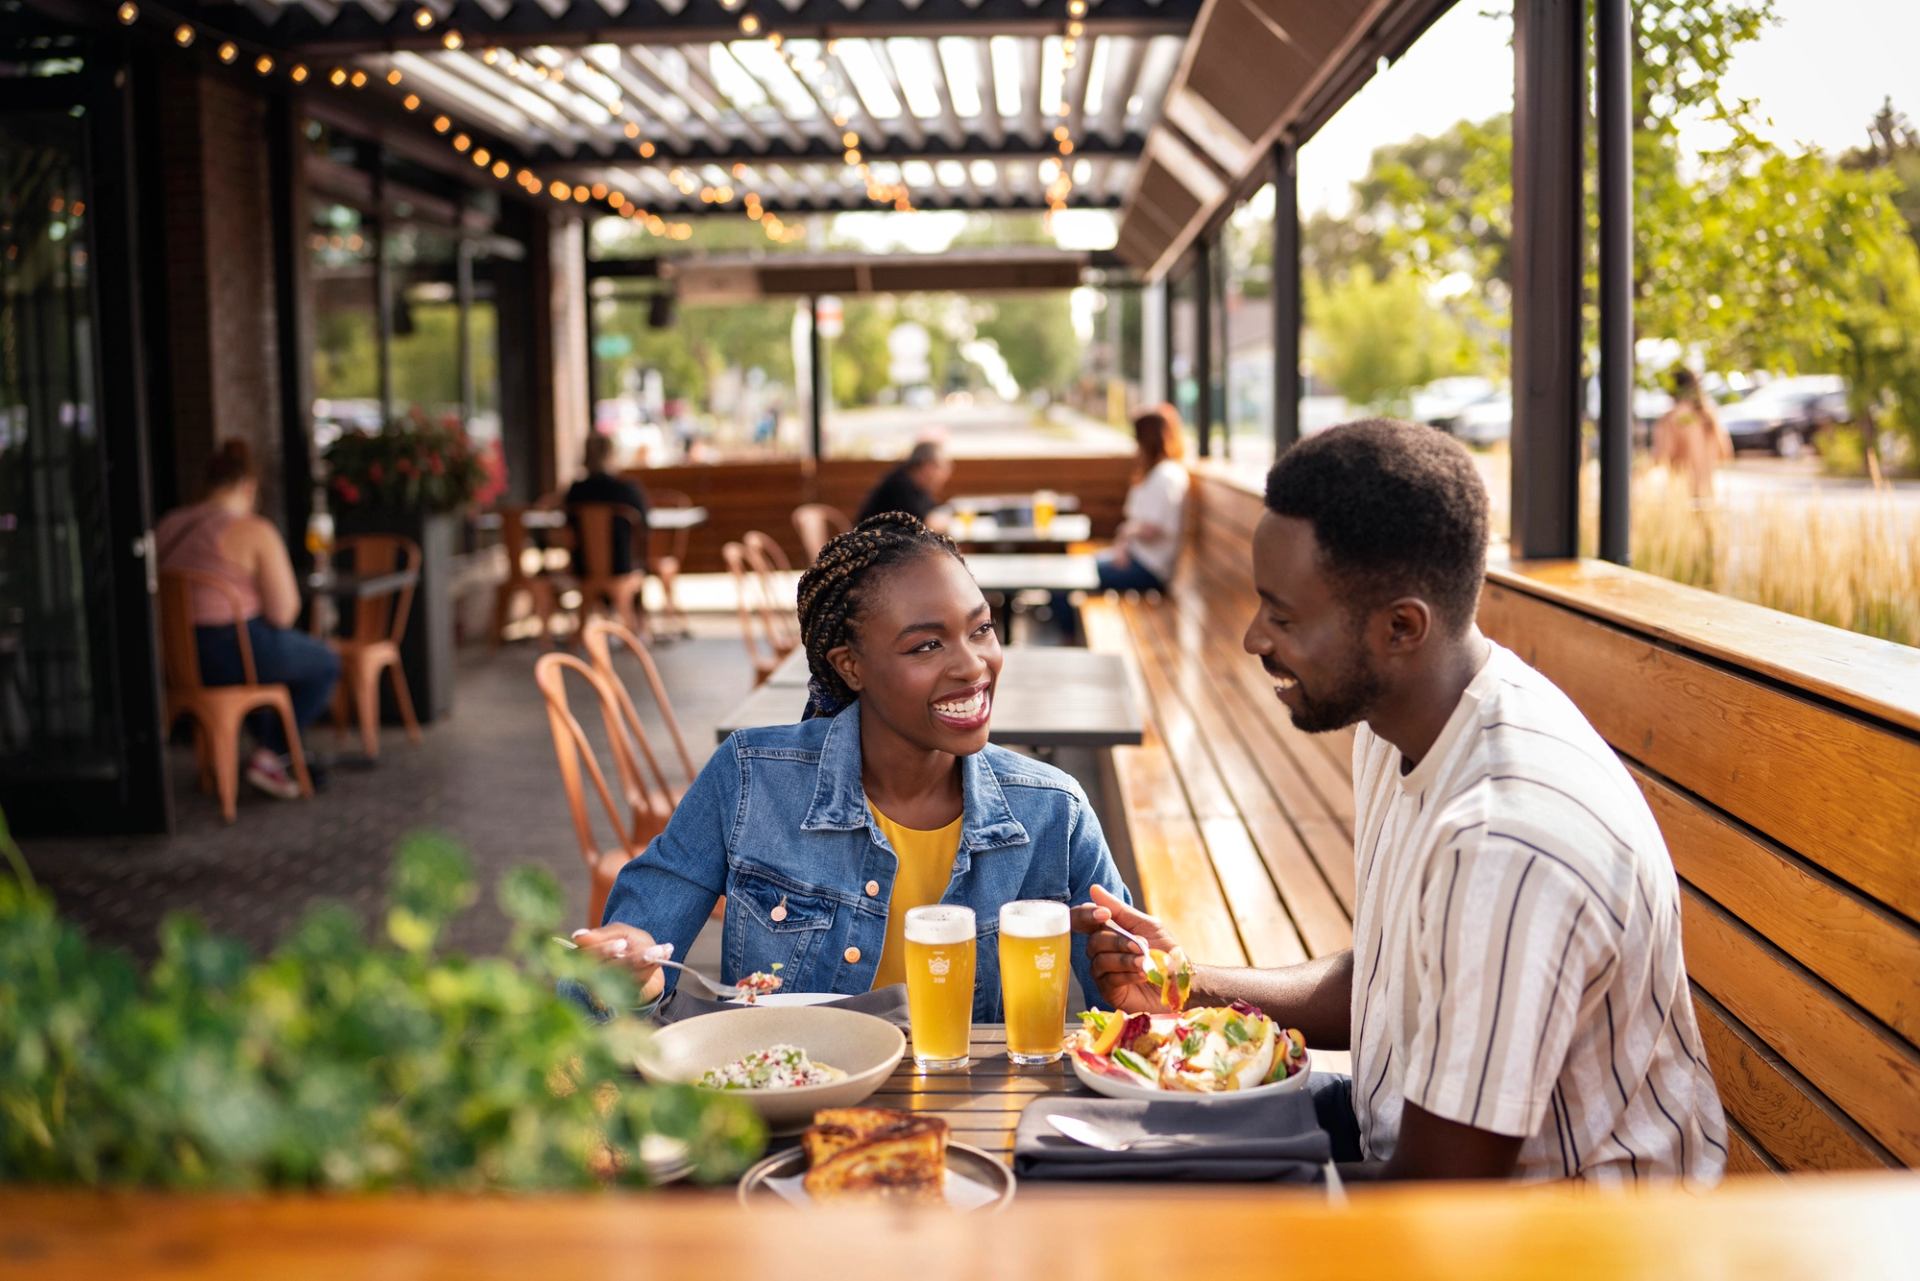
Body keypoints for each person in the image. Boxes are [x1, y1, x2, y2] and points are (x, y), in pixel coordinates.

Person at [1084, 420, 1727, 1183]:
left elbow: (1436, 1202)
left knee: (1135, 1206)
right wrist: (1184, 982)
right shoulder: (1404, 723)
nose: (1255, 639)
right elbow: (1391, 983)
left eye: (1283, 616)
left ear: (1401, 627)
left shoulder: (1508, 841)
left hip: (1556, 1236)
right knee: (1097, 1139)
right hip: (1403, 1143)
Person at [573, 513, 1132, 1019]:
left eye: (981, 628)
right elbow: (596, 994)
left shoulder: (1054, 812)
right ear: (851, 667)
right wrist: (626, 981)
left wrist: (1157, 977)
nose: (972, 665)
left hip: (978, 1126)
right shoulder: (749, 780)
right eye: (927, 646)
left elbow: (1135, 1015)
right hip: (791, 1115)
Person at [155, 440, 340, 800]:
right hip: (229, 648)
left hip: (175, 659)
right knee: (324, 662)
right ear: (248, 487)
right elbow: (284, 613)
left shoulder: (169, 525)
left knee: (274, 667)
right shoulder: (253, 530)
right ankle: (272, 754)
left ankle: (276, 754)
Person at [1097, 406, 1189, 593]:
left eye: (1137, 438)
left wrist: (1123, 537)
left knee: (1084, 574)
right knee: (1084, 567)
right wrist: (1122, 545)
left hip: (1150, 569)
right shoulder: (1156, 473)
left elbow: (1150, 529)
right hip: (1137, 558)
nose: (1135, 445)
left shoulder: (1166, 476)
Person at [564, 432, 651, 577]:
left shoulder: (575, 492)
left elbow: (568, 532)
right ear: (612, 455)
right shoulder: (627, 490)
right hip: (623, 565)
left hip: (582, 569)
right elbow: (644, 528)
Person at [1651, 369, 1732, 500]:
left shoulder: (1670, 419)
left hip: (1682, 497)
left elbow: (1661, 456)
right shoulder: (1709, 415)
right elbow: (1725, 453)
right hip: (1708, 495)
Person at [857, 441, 951, 528]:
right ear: (927, 467)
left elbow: (932, 510)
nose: (945, 474)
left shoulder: (915, 483)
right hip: (871, 541)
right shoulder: (899, 484)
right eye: (941, 467)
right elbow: (925, 524)